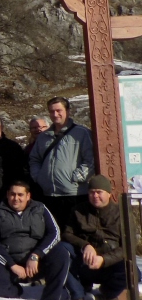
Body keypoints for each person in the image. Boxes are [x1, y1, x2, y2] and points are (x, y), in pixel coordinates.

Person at [0, 180, 71, 300]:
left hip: (35, 261)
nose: (16, 198)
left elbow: (55, 233)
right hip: (8, 262)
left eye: (20, 195)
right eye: (12, 194)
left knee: (61, 253)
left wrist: (36, 255)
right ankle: (15, 292)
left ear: (28, 196)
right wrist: (11, 264)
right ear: (7, 195)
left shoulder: (40, 208)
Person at [61, 174, 128, 300]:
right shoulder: (78, 211)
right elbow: (67, 234)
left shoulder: (122, 213)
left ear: (109, 194)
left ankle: (108, 293)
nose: (95, 196)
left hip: (110, 263)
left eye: (99, 192)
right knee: (61, 250)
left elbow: (128, 246)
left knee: (132, 271)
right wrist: (85, 245)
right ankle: (77, 294)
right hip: (84, 261)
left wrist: (104, 259)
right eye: (92, 192)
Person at [28, 96, 94, 229]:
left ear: (67, 111)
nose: (55, 114)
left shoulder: (82, 133)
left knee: (74, 231)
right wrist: (39, 177)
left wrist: (77, 177)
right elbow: (34, 159)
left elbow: (91, 159)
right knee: (54, 230)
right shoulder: (44, 136)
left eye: (59, 110)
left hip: (74, 194)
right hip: (49, 194)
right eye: (52, 111)